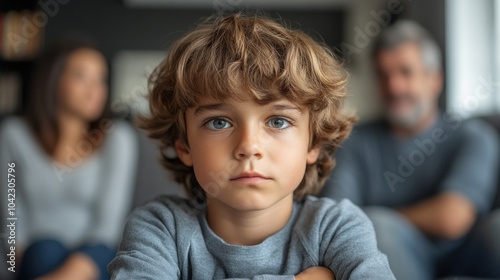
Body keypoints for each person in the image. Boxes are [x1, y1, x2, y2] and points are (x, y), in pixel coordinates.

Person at [108, 13, 395, 280]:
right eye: (219, 122)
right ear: (183, 145)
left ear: (314, 143)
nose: (248, 147)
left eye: (278, 121)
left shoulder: (337, 227)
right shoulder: (159, 227)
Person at [321, 20, 500, 280]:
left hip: (468, 255)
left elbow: (452, 218)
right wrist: (379, 220)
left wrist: (374, 213)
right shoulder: (353, 141)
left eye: (406, 72)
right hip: (392, 255)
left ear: (434, 79)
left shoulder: (473, 136)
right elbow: (337, 216)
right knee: (379, 228)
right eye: (384, 75)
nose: (395, 87)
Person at [0, 41, 138, 280]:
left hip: (96, 254)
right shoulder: (14, 135)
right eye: (81, 76)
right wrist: (14, 262)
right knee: (46, 249)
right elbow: (12, 209)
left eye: (101, 79)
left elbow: (108, 226)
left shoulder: (118, 138)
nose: (95, 89)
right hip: (35, 254)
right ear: (54, 80)